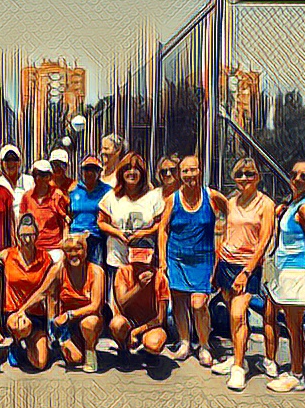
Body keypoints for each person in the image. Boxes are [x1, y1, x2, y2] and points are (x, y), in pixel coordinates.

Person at [210, 158, 276, 390]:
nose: (244, 178)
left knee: (239, 314)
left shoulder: (266, 204)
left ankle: (238, 368)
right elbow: (225, 234)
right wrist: (217, 266)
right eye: (239, 174)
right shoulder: (231, 202)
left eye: (249, 174)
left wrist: (246, 272)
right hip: (226, 264)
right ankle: (239, 357)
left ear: (258, 177)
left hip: (247, 267)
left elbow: (264, 242)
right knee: (233, 316)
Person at [158, 155, 228, 367]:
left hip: (203, 259)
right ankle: (185, 342)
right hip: (176, 257)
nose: (189, 175)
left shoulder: (212, 197)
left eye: (193, 170)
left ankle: (204, 344)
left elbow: (233, 215)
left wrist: (224, 242)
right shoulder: (173, 199)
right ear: (180, 174)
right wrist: (163, 260)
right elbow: (163, 229)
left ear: (200, 171)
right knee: (179, 301)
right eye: (185, 171)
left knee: (199, 304)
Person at [264, 160, 305, 393]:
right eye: (294, 174)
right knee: (275, 315)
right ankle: (287, 368)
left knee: (294, 326)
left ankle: (297, 375)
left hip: (297, 272)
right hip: (284, 271)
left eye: (304, 176)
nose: (297, 179)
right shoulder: (294, 204)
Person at [20, 233, 104, 372]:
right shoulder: (59, 268)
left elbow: (95, 306)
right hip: (66, 324)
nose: (74, 254)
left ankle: (90, 351)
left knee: (89, 323)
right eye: (69, 250)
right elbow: (41, 292)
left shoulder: (96, 271)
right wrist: (22, 310)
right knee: (75, 359)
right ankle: (63, 341)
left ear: (85, 250)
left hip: (87, 318)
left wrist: (70, 314)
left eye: (77, 249)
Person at [98, 152, 165, 302]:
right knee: (119, 301)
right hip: (117, 258)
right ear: (121, 172)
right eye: (128, 168)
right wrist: (117, 233)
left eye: (136, 169)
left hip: (144, 260)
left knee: (142, 300)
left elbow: (161, 223)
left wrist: (143, 233)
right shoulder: (111, 197)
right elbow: (101, 222)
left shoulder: (153, 196)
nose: (132, 172)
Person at [0, 213, 54, 370]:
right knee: (21, 326)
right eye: (23, 236)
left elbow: (46, 292)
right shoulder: (7, 255)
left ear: (37, 235)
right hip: (13, 313)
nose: (27, 240)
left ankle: (30, 342)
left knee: (40, 363)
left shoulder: (45, 258)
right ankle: (16, 343)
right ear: (17, 236)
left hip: (36, 313)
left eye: (31, 235)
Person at [109, 246, 169, 360]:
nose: (139, 268)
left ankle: (150, 354)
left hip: (150, 324)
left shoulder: (160, 278)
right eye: (136, 264)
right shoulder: (123, 272)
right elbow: (121, 303)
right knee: (117, 324)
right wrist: (138, 287)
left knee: (155, 343)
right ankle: (123, 349)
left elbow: (160, 318)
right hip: (128, 322)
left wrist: (136, 332)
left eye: (143, 264)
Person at [19, 159, 70, 262]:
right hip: (33, 248)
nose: (39, 178)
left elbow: (65, 223)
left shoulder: (57, 195)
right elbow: (21, 223)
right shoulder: (27, 197)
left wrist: (64, 242)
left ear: (50, 177)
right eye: (36, 175)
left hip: (54, 248)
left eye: (44, 175)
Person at [69, 155, 111, 265]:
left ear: (100, 172)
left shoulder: (107, 191)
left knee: (95, 269)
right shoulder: (73, 190)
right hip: (75, 235)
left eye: (94, 170)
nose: (90, 173)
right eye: (87, 169)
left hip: (96, 235)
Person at [0, 144, 34, 223]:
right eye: (7, 160)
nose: (11, 163)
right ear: (1, 163)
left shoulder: (30, 181)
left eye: (14, 159)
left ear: (20, 162)